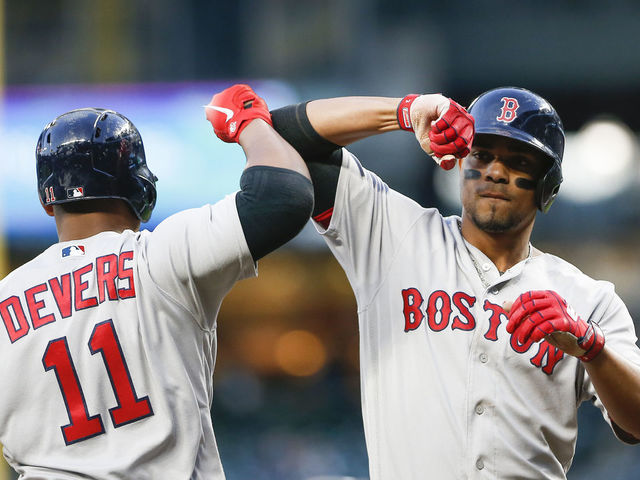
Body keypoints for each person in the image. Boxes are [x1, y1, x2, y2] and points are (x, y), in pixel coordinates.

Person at [268, 86, 640, 479]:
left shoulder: (589, 299)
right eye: (482, 155)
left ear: (547, 185)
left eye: (518, 161)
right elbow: (285, 132)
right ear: (461, 163)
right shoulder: (394, 236)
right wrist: (405, 111)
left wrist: (591, 346)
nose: (496, 171)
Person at [0, 84, 313, 479]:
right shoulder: (158, 256)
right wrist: (246, 119)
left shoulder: (4, 301)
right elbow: (282, 198)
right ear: (138, 186)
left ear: (47, 201)